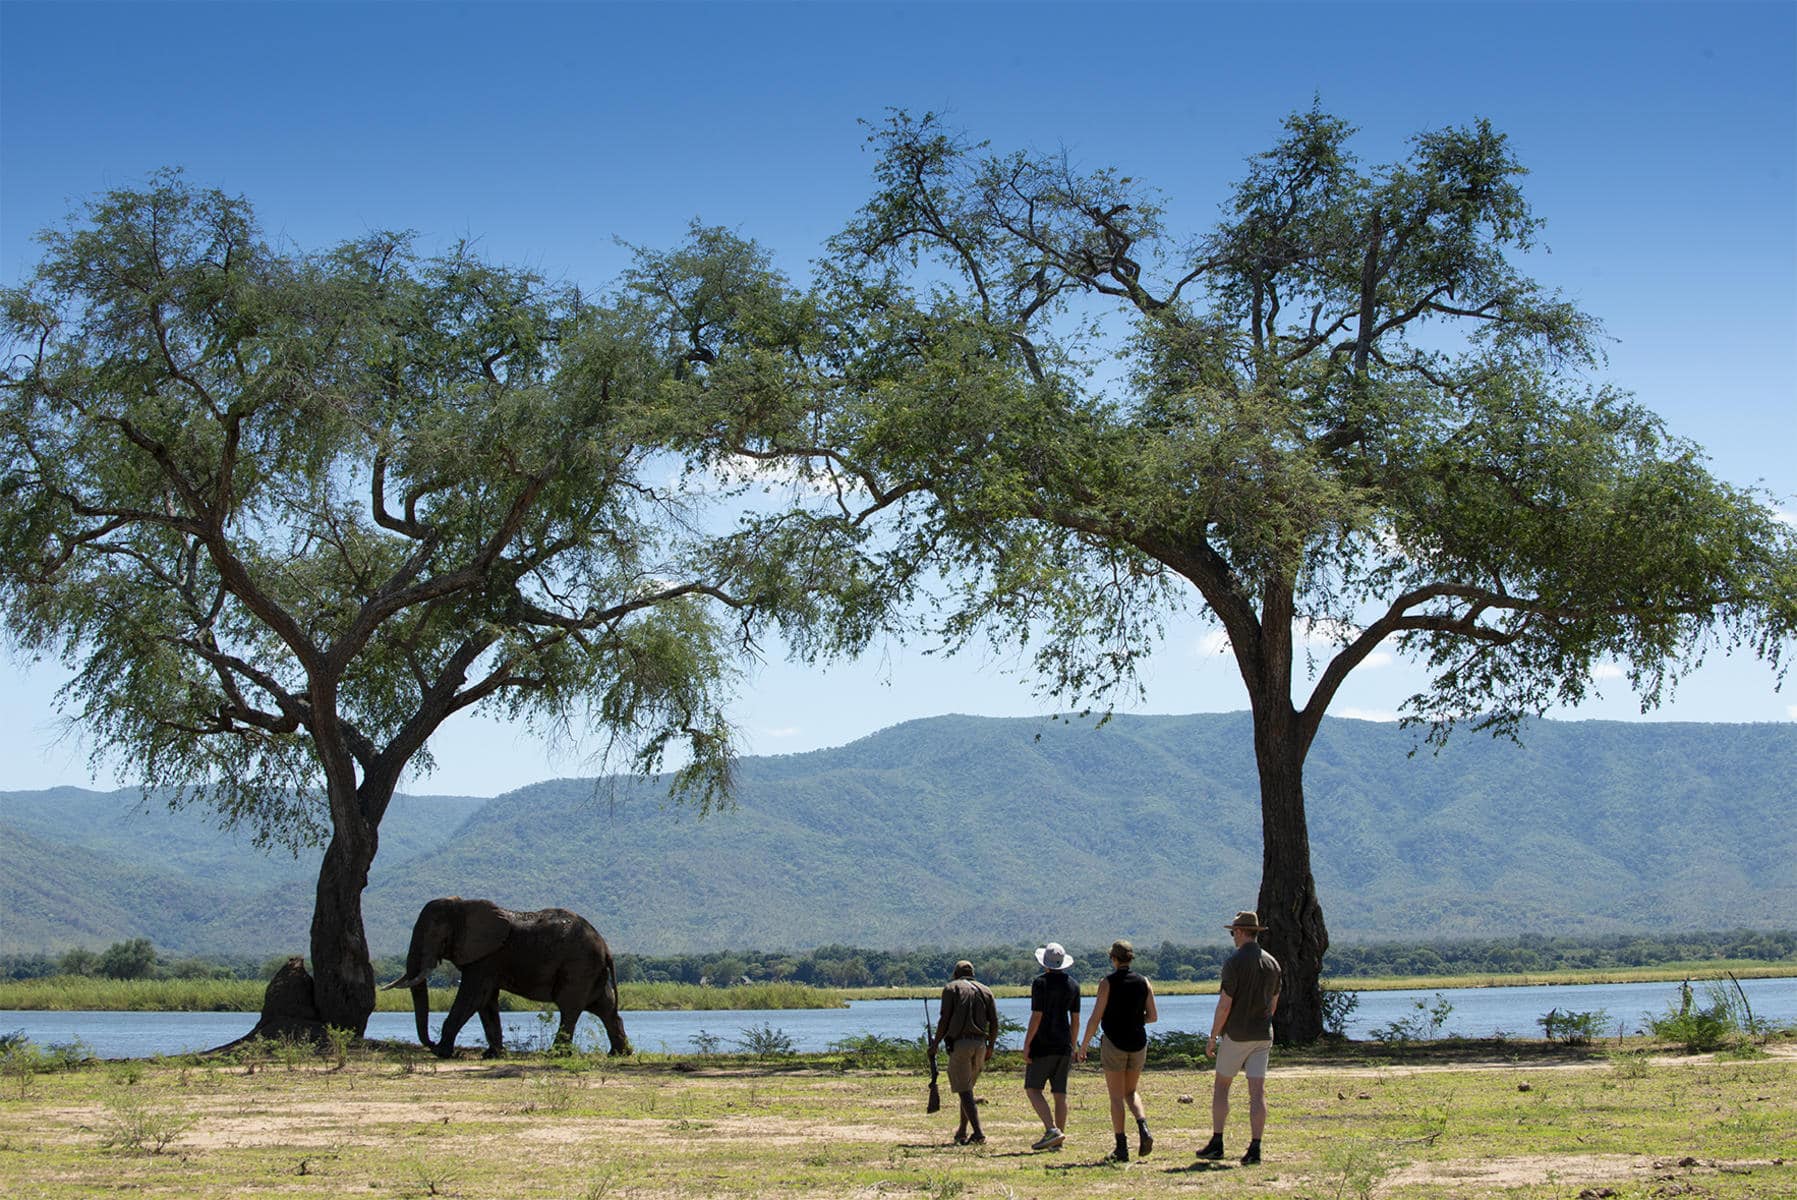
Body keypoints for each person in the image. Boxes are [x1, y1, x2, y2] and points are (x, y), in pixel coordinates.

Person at [1198, 910, 1281, 1166]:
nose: (1233, 936)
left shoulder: (1234, 962)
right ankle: (1255, 1147)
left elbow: (1225, 1005)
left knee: (1222, 1086)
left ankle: (1218, 1141)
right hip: (1262, 1034)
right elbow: (1274, 1004)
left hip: (1236, 1034)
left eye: (1234, 931)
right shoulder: (1272, 963)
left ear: (1243, 932)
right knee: (1257, 1092)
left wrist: (1213, 1036)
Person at [1076, 938, 1158, 1161]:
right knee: (1131, 1092)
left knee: (1115, 1097)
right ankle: (1143, 1127)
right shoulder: (1144, 982)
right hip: (1139, 1043)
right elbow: (1153, 1016)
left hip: (1114, 1043)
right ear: (1130, 958)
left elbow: (1095, 1018)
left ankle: (1121, 1147)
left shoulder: (1107, 983)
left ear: (1113, 958)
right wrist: (1134, 1019)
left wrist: (1083, 1045)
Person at [929, 959, 999, 1145]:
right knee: (967, 1087)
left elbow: (944, 1019)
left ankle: (978, 1133)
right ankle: (962, 1130)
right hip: (980, 1045)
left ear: (955, 974)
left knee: (964, 1090)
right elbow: (994, 1022)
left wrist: (935, 1044)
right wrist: (990, 1046)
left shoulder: (951, 988)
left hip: (960, 1045)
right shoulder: (986, 990)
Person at [1022, 940, 1080, 1151]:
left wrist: (1027, 1044)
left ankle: (1052, 1129)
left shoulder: (1040, 983)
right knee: (1060, 1093)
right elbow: (1075, 1019)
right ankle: (1058, 1140)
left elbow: (1037, 1016)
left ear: (1045, 963)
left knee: (1032, 1088)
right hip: (1064, 1043)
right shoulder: (1073, 985)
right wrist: (1073, 1046)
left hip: (1043, 1043)